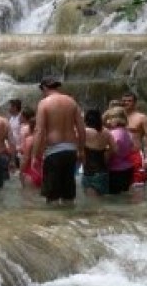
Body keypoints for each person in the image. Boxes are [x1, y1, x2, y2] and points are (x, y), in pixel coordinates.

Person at [32, 76, 86, 204]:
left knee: (52, 196)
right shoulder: (72, 102)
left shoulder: (44, 103)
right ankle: (70, 222)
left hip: (53, 151)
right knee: (68, 195)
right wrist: (81, 150)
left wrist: (35, 155)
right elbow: (81, 129)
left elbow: (39, 131)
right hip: (71, 150)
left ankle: (55, 223)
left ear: (45, 87)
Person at [81, 109, 113, 196]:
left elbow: (77, 151)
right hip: (103, 171)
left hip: (89, 172)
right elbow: (115, 149)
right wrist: (106, 156)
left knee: (92, 205)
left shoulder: (84, 132)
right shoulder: (106, 132)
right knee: (103, 200)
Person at [104, 106, 134, 194]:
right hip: (127, 169)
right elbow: (132, 147)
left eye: (110, 118)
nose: (108, 122)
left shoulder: (113, 134)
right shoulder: (128, 133)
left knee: (112, 201)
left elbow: (110, 153)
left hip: (115, 171)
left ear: (117, 119)